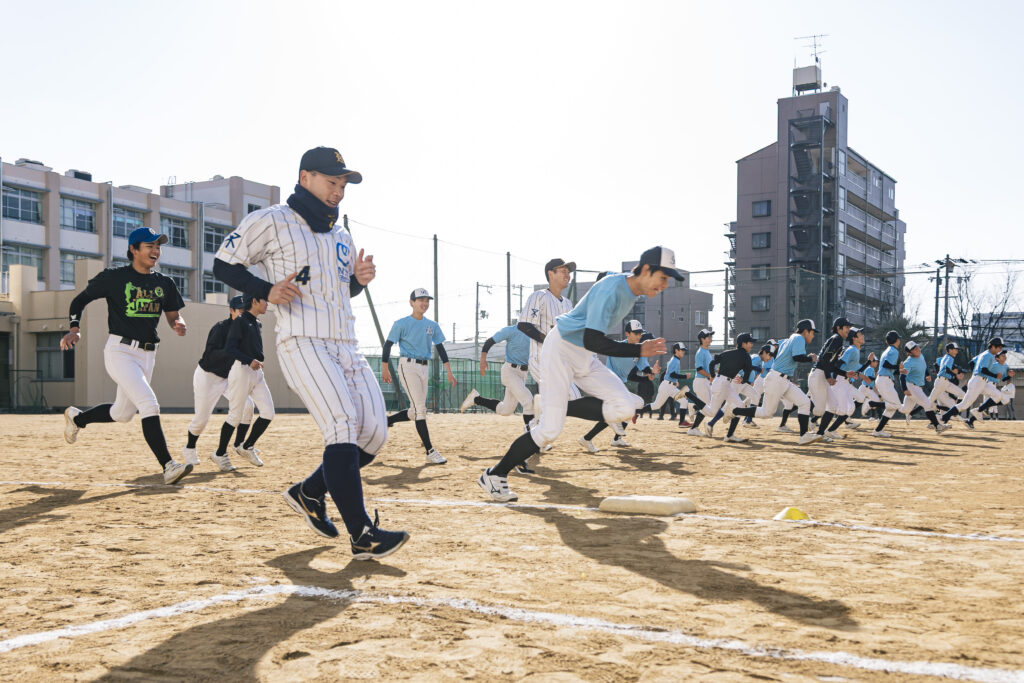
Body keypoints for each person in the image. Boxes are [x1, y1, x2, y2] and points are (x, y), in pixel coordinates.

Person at [213, 145, 408, 560]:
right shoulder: (272, 220)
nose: (338, 191)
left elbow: (339, 291)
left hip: (346, 345)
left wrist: (357, 281)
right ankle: (363, 535)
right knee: (341, 424)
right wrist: (264, 290)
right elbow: (224, 264)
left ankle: (308, 492)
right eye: (331, 181)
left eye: (342, 184)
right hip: (302, 341)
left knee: (373, 435)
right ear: (305, 178)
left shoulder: (342, 236)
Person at [477, 246, 680, 502]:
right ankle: (495, 475)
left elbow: (591, 341)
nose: (665, 285)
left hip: (582, 352)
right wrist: (637, 348)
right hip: (560, 349)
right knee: (549, 430)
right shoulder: (612, 289)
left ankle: (555, 406)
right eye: (663, 277)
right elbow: (593, 339)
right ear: (647, 270)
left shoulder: (629, 292)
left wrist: (636, 348)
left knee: (627, 405)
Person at [61, 226, 192, 485]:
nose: (156, 251)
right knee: (149, 404)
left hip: (147, 355)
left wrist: (178, 323)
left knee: (122, 413)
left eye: (158, 246)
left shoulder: (164, 283)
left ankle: (77, 418)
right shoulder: (114, 277)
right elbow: (79, 301)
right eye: (149, 246)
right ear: (133, 250)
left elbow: (173, 315)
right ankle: (169, 466)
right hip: (120, 351)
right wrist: (74, 328)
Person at [519, 258, 628, 460]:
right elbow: (524, 325)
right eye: (562, 270)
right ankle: (541, 417)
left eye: (569, 271)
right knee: (572, 400)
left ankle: (534, 435)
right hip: (541, 359)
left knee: (562, 406)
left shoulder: (567, 303)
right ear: (550, 273)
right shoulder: (539, 296)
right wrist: (549, 339)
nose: (567, 274)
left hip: (562, 362)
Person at [381, 289, 457, 465]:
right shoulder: (401, 323)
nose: (424, 303)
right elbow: (388, 345)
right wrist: (385, 368)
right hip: (407, 366)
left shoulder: (432, 325)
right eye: (420, 300)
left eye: (427, 300)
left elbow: (440, 348)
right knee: (420, 409)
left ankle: (387, 421)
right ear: (411, 302)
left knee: (416, 411)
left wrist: (449, 370)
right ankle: (430, 451)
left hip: (424, 367)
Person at [182, 296, 255, 467]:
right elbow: (210, 355)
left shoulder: (248, 330)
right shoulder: (221, 328)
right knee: (201, 419)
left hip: (228, 377)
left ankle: (239, 445)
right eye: (240, 311)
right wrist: (233, 350)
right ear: (231, 311)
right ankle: (189, 447)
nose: (244, 314)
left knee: (248, 406)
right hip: (208, 375)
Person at [209, 294, 275, 471]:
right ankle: (220, 453)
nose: (267, 304)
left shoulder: (257, 323)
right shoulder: (240, 321)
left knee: (268, 412)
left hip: (256, 372)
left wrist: (257, 361)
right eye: (264, 300)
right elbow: (230, 348)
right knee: (235, 415)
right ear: (254, 301)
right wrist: (249, 360)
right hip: (241, 371)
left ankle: (246, 446)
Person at [754, 319, 816, 444]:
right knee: (766, 413)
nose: (813, 335)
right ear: (805, 331)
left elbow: (782, 355)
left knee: (804, 402)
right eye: (812, 332)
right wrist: (811, 358)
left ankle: (803, 436)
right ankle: (735, 410)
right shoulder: (799, 338)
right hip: (777, 379)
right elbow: (797, 357)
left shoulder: (790, 339)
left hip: (782, 379)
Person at [460, 323, 534, 426]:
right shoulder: (511, 330)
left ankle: (476, 399)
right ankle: (532, 436)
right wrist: (482, 360)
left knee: (506, 410)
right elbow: (490, 341)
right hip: (510, 372)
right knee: (528, 401)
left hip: (523, 374)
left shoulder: (535, 332)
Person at [704, 333, 760, 442]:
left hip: (723, 383)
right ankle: (689, 397)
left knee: (739, 406)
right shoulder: (745, 356)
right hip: (722, 384)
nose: (751, 345)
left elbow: (712, 363)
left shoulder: (727, 353)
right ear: (743, 343)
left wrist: (712, 376)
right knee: (712, 411)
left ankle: (729, 435)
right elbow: (748, 371)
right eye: (750, 343)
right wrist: (745, 380)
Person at [943, 339, 1013, 426]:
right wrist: (994, 376)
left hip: (982, 382)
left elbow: (972, 362)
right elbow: (983, 370)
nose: (1000, 349)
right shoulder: (988, 355)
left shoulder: (987, 354)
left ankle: (978, 410)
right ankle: (943, 419)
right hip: (978, 381)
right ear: (993, 346)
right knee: (964, 405)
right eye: (999, 347)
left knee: (999, 396)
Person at [806, 317, 851, 442]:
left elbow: (831, 365)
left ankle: (820, 434)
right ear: (838, 328)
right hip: (819, 375)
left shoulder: (839, 341)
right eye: (846, 327)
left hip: (821, 374)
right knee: (819, 410)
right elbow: (824, 360)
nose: (848, 329)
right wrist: (828, 377)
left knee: (832, 405)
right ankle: (800, 401)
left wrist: (846, 373)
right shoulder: (836, 339)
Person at [899, 340, 949, 433]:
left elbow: (924, 366)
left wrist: (927, 374)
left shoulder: (921, 356)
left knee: (905, 409)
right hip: (911, 387)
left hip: (917, 387)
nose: (917, 349)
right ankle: (937, 426)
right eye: (914, 349)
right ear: (909, 353)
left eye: (917, 347)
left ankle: (887, 404)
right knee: (927, 404)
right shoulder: (908, 362)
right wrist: (904, 389)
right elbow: (902, 376)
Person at [870, 331, 907, 438]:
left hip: (884, 380)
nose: (899, 340)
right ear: (896, 340)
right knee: (897, 406)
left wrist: (899, 370)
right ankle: (874, 404)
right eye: (898, 338)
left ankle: (878, 430)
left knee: (891, 408)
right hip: (884, 381)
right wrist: (898, 368)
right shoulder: (894, 351)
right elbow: (887, 365)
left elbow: (887, 367)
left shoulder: (888, 350)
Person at [684, 329, 715, 436]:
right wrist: (710, 376)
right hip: (701, 382)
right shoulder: (700, 352)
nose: (710, 339)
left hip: (704, 382)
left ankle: (694, 426)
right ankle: (693, 407)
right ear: (702, 339)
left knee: (707, 407)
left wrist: (713, 374)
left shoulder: (706, 351)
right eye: (708, 337)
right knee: (708, 408)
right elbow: (699, 369)